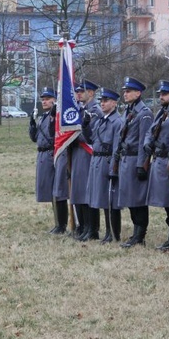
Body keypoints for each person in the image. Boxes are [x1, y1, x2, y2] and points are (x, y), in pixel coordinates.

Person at [144, 80, 169, 252]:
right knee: (166, 202)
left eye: (164, 94)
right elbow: (150, 130)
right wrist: (147, 142)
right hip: (159, 161)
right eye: (160, 94)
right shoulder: (163, 112)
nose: (160, 97)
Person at [113, 77, 153, 248]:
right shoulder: (128, 111)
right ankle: (136, 233)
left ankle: (140, 235)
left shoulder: (144, 113)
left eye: (129, 91)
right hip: (124, 159)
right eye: (125, 91)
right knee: (129, 198)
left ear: (138, 93)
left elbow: (145, 140)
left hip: (135, 159)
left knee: (138, 199)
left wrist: (141, 165)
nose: (125, 94)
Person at [83, 88, 123, 243]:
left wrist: (114, 167)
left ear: (114, 103)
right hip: (96, 161)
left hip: (107, 161)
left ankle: (112, 233)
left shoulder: (117, 122)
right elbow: (91, 139)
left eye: (106, 101)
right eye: (101, 101)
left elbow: (116, 147)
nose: (103, 103)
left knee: (109, 199)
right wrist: (85, 125)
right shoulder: (100, 120)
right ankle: (101, 231)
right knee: (96, 196)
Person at [29, 88, 67, 234]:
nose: (44, 101)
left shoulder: (56, 116)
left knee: (58, 190)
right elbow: (35, 138)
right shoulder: (42, 117)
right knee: (50, 191)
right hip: (43, 155)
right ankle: (57, 222)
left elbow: (53, 133)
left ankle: (62, 223)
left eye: (47, 98)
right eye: (42, 99)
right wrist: (32, 125)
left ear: (54, 100)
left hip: (53, 154)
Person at [71, 80, 101, 241]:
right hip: (77, 153)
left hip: (87, 153)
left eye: (82, 91)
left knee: (87, 192)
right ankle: (82, 226)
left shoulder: (95, 111)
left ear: (91, 93)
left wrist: (73, 135)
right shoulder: (79, 110)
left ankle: (92, 228)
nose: (79, 94)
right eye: (77, 92)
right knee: (77, 190)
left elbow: (91, 135)